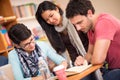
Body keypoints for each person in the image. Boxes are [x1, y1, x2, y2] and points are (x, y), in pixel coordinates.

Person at [66, 0, 120, 80]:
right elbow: (89, 54)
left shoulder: (104, 22)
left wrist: (92, 57)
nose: (78, 28)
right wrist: (82, 59)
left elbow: (98, 59)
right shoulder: (90, 29)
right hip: (112, 68)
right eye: (75, 25)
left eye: (80, 22)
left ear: (90, 13)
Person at [35, 1, 89, 66]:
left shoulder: (73, 19)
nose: (51, 20)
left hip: (89, 57)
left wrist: (86, 58)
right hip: (75, 65)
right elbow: (61, 52)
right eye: (47, 20)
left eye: (51, 15)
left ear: (56, 9)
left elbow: (91, 39)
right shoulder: (53, 31)